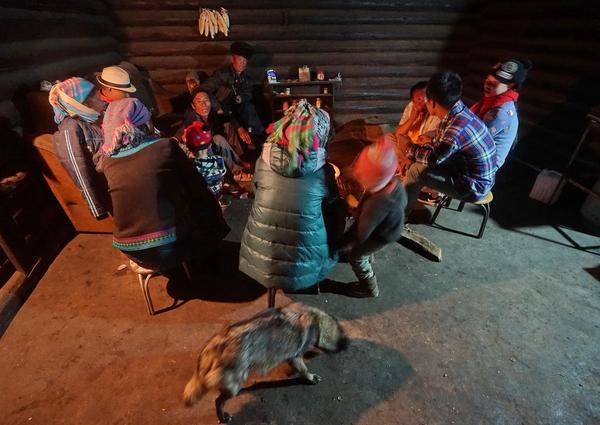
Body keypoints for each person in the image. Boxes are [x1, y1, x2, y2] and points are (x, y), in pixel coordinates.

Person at [96, 98, 227, 270]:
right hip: (168, 247)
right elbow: (197, 187)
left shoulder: (106, 160)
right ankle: (213, 255)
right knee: (205, 200)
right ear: (142, 122)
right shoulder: (165, 147)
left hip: (130, 249)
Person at [239, 100, 343, 293]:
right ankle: (323, 262)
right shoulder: (323, 171)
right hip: (305, 263)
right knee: (334, 212)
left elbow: (255, 188)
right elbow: (332, 200)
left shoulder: (263, 160)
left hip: (260, 257)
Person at [398, 71, 497, 215]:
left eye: (425, 100)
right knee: (416, 163)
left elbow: (433, 159)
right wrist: (412, 155)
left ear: (432, 102)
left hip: (472, 186)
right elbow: (437, 145)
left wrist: (408, 147)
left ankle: (397, 218)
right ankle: (401, 209)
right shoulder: (457, 111)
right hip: (464, 171)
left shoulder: (457, 128)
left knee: (415, 171)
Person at [337, 137, 407, 298]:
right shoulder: (393, 183)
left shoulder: (377, 204)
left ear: (373, 178)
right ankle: (368, 255)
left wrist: (351, 202)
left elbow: (360, 234)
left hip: (380, 235)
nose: (356, 173)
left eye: (360, 173)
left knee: (356, 256)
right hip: (389, 226)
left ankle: (369, 287)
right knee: (365, 248)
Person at [48, 77, 110, 219]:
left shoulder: (96, 116)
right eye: (94, 95)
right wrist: (95, 206)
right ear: (80, 103)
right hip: (111, 176)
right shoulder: (70, 128)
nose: (100, 97)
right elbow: (76, 166)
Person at [175, 88, 250, 181]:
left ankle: (237, 162)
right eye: (199, 101)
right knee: (215, 141)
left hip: (208, 151)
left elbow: (227, 118)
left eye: (206, 100)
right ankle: (235, 174)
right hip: (197, 157)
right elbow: (180, 133)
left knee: (224, 130)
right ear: (193, 106)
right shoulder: (191, 117)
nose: (203, 104)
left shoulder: (210, 115)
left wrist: (240, 128)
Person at [200, 41, 265, 149]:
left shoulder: (246, 77)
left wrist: (240, 98)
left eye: (245, 60)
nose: (243, 63)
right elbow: (204, 89)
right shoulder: (222, 74)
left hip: (235, 107)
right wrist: (217, 106)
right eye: (240, 59)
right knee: (232, 116)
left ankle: (258, 139)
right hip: (221, 108)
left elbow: (248, 94)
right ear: (232, 59)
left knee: (250, 107)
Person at [471, 59, 532, 168]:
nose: (487, 86)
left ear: (510, 85)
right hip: (474, 155)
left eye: (494, 84)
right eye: (487, 81)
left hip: (483, 167)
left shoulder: (501, 112)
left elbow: (474, 139)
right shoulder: (489, 100)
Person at [181, 121, 227, 205]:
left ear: (189, 148)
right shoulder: (219, 160)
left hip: (201, 201)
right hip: (216, 197)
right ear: (210, 145)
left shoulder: (191, 166)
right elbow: (222, 175)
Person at [395, 81, 441, 151]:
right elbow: (398, 133)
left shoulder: (435, 109)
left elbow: (425, 138)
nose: (419, 103)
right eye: (416, 100)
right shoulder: (411, 106)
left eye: (422, 98)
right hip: (407, 145)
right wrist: (411, 119)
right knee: (389, 138)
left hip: (421, 148)